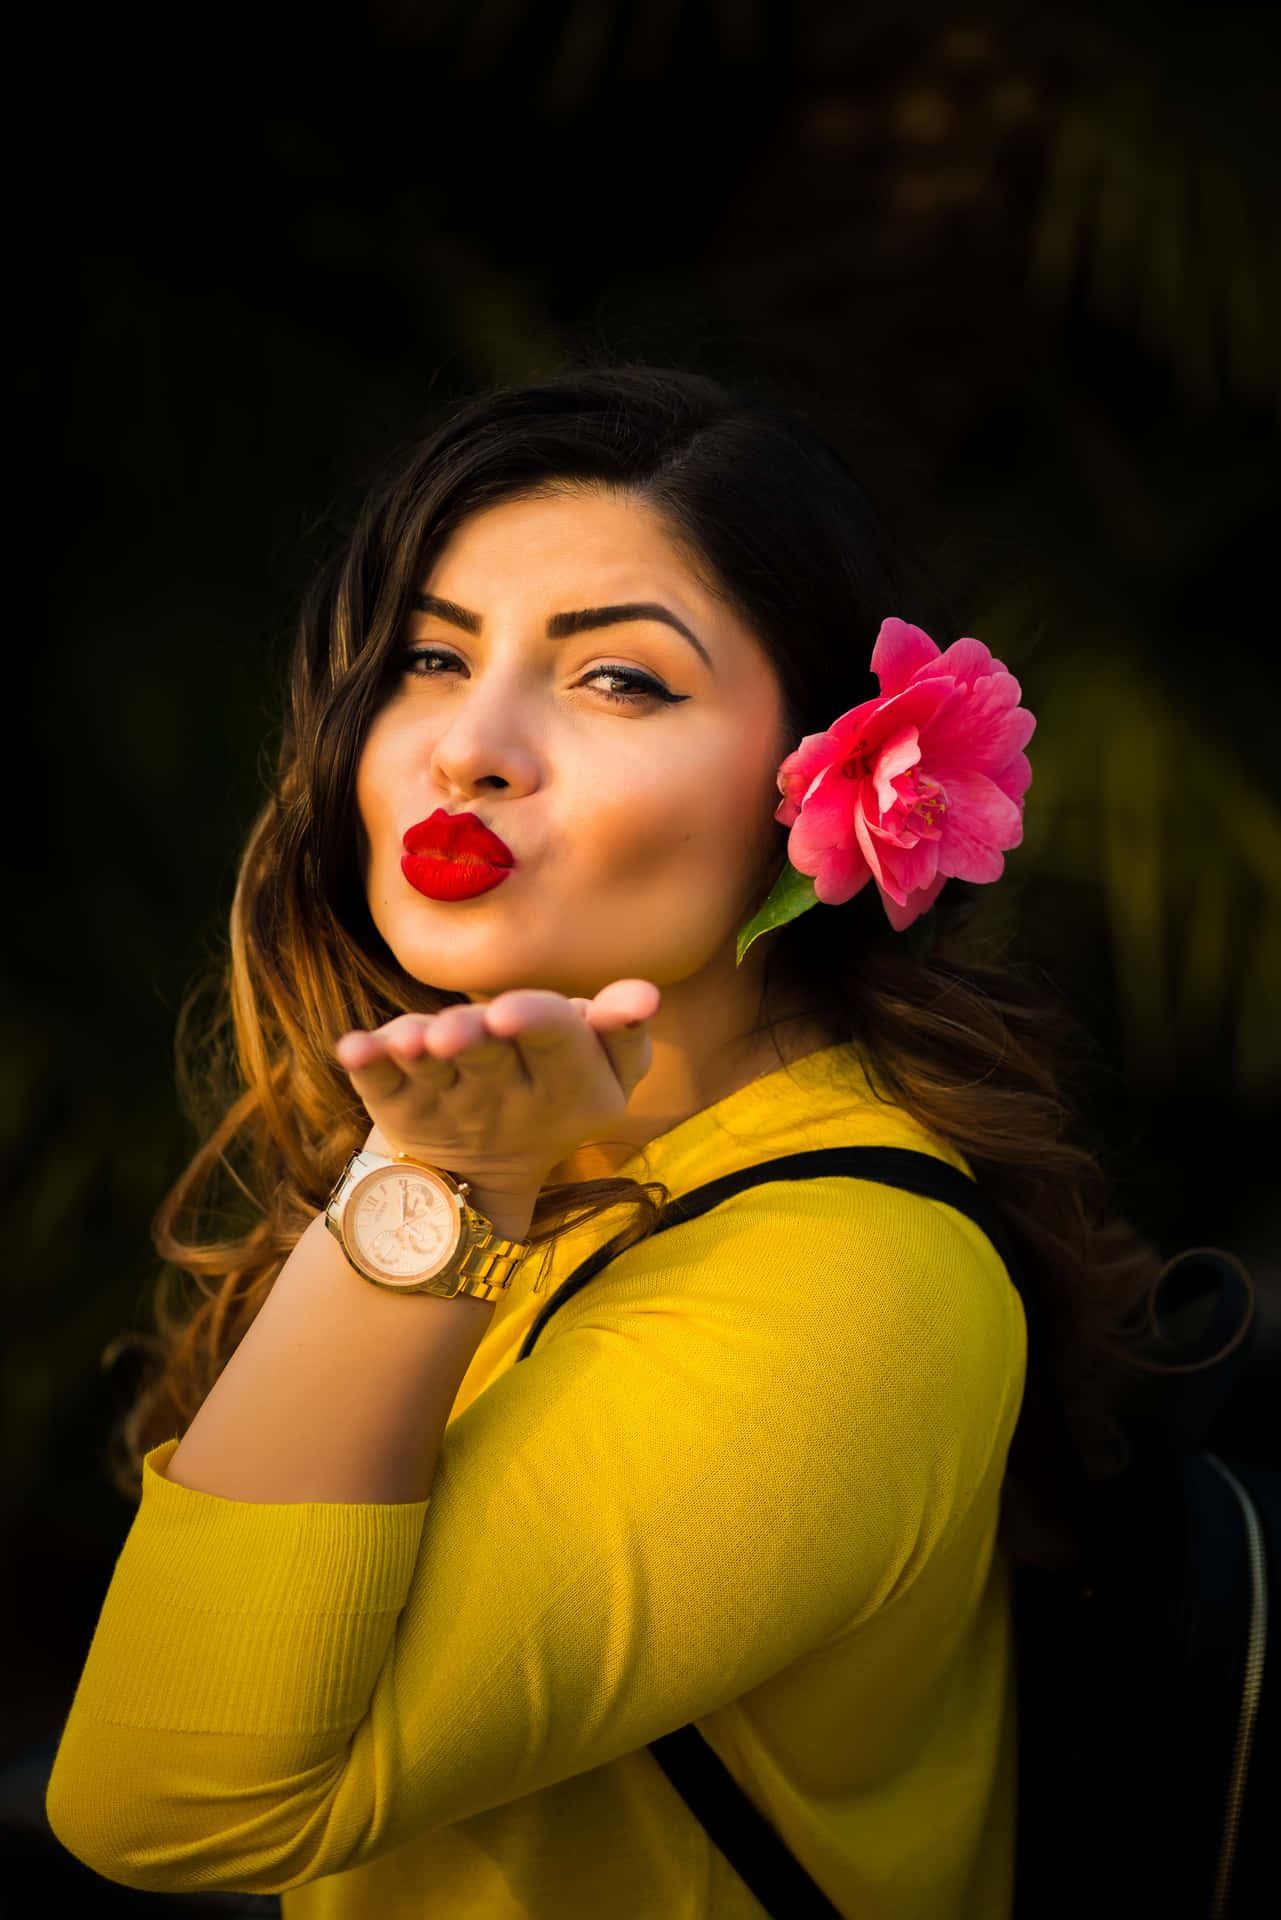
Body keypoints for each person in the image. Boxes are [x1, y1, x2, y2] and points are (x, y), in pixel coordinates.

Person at [44, 363, 1159, 1918]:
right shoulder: (525, 1162)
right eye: (430, 658)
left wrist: (434, 1185)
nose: (468, 748)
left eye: (618, 679)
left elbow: (159, 1803)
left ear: (824, 787)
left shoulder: (845, 1285)